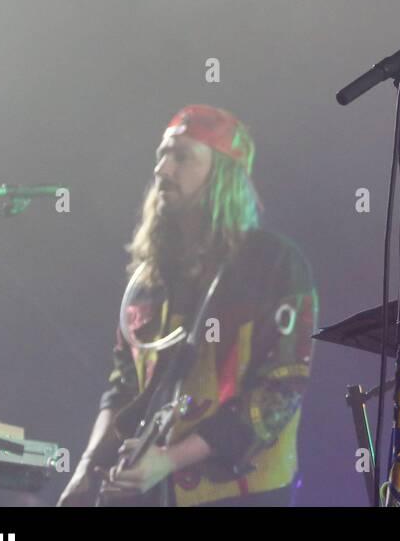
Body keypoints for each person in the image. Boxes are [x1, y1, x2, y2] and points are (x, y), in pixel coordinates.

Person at [58, 104, 316, 506]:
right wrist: (87, 470)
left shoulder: (275, 263)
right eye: (161, 155)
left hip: (244, 493)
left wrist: (170, 459)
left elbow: (280, 391)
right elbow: (123, 387)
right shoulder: (149, 280)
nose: (162, 169)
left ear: (224, 175)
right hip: (158, 492)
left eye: (181, 157)